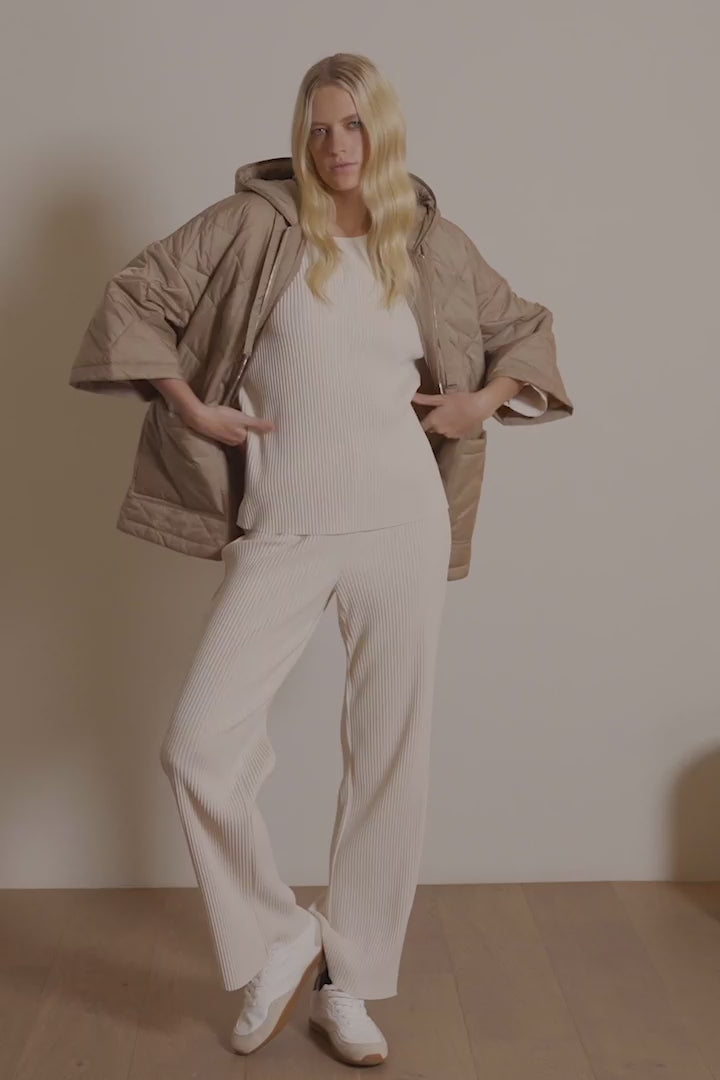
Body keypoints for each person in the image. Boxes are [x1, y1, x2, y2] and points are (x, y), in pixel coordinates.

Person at [69, 52, 573, 1068]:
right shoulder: (252, 226)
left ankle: (353, 985)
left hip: (403, 523)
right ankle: (280, 937)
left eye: (353, 125)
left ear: (383, 131)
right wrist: (191, 406)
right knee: (199, 745)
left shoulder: (427, 241)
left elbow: (526, 330)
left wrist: (479, 402)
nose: (336, 145)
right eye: (319, 126)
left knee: (390, 758)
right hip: (287, 528)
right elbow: (134, 297)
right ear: (301, 134)